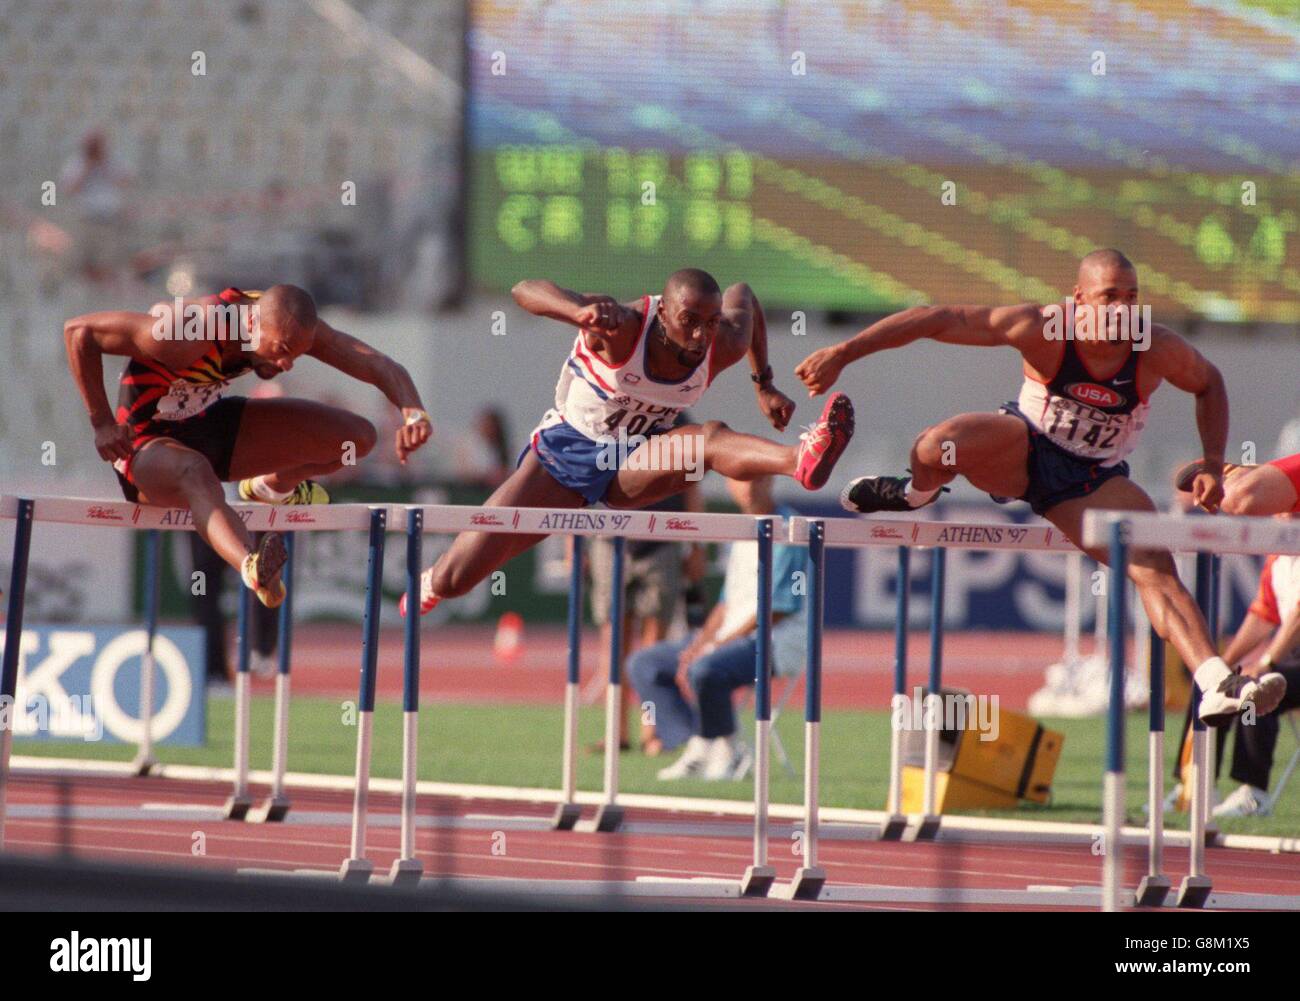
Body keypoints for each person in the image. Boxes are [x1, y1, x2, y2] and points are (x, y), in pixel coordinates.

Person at [795, 248, 1285, 726]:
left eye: (1131, 297)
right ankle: (913, 494)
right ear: (1079, 300)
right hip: (1020, 450)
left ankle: (1217, 683)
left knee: (1154, 564)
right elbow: (935, 318)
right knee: (936, 447)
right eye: (1109, 296)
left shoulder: (1155, 347)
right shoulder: (1043, 328)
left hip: (1089, 481)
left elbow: (1209, 382)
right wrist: (844, 352)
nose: (1122, 310)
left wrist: (1215, 463)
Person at [401, 267, 854, 617]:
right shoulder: (621, 328)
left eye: (709, 322)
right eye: (688, 321)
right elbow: (524, 289)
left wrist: (764, 384)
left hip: (637, 459)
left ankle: (800, 458)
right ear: (661, 314)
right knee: (458, 576)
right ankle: (432, 583)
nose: (699, 335)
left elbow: (745, 297)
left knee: (709, 440)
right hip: (568, 455)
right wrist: (577, 312)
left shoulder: (720, 342)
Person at [64, 284, 433, 608]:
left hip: (211, 424)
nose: (286, 364)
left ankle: (269, 488)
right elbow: (79, 331)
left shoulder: (288, 326)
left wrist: (413, 412)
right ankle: (252, 567)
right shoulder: (188, 329)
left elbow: (379, 365)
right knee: (195, 471)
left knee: (357, 437)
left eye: (297, 354)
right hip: (146, 445)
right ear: (253, 324)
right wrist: (101, 423)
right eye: (281, 350)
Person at [628, 475, 806, 781]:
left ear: (770, 481)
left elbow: (778, 607)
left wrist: (714, 647)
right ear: (729, 486)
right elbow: (726, 603)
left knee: (706, 670)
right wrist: (701, 642)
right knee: (645, 663)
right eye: (741, 480)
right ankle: (697, 742)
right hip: (730, 638)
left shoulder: (790, 529)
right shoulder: (742, 530)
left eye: (756, 479)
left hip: (776, 641)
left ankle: (725, 750)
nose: (749, 486)